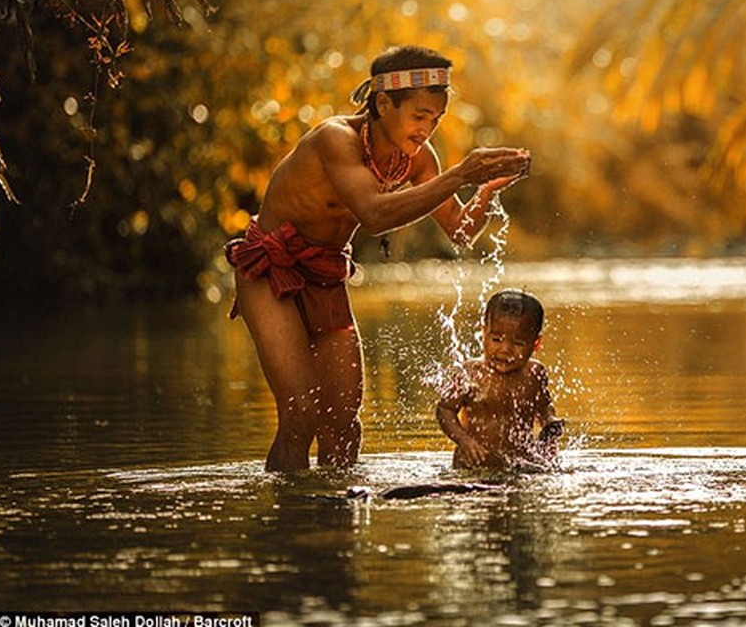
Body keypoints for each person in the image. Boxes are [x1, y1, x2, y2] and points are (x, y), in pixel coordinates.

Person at [225, 45, 531, 472]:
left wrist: (485, 188)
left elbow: (459, 231)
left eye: (436, 119)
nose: (427, 129)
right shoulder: (336, 139)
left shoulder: (419, 159)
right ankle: (289, 532)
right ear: (383, 103)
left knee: (344, 426)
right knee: (301, 417)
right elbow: (373, 215)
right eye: (419, 116)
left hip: (327, 275)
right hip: (270, 270)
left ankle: (335, 527)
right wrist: (461, 174)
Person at [436, 289, 564, 471]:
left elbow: (543, 407)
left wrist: (550, 421)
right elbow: (445, 410)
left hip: (520, 468)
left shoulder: (535, 374)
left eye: (518, 343)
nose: (505, 349)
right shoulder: (470, 374)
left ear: (535, 344)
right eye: (496, 339)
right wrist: (464, 440)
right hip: (472, 468)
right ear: (483, 333)